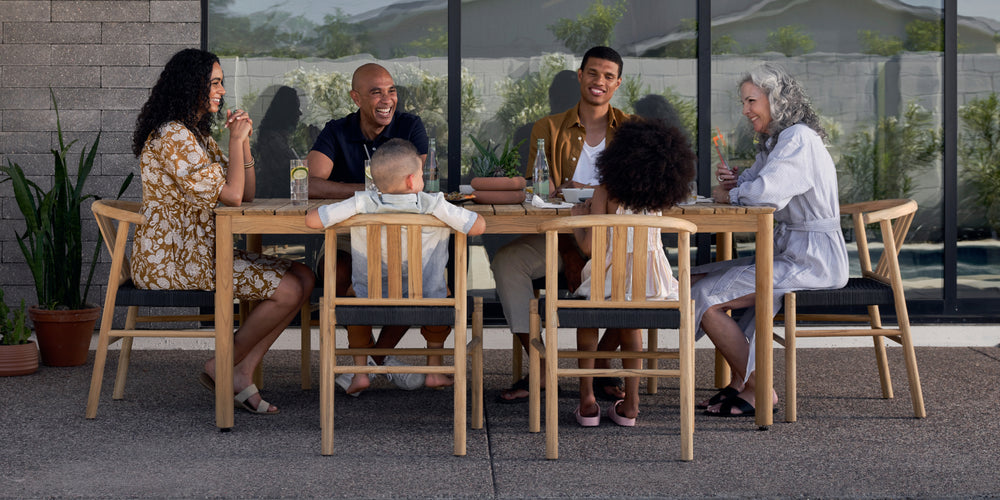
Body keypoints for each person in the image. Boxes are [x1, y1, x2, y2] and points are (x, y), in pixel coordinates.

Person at [130, 48, 315, 415]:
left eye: (221, 83)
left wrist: (242, 142)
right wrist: (235, 141)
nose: (221, 91)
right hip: (175, 261)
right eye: (214, 83)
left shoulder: (195, 136)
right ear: (191, 85)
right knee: (292, 287)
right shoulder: (173, 136)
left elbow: (246, 192)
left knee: (305, 276)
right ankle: (222, 364)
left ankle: (240, 370)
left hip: (201, 253)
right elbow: (232, 196)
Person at [697, 63, 849, 417]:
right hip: (788, 253)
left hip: (812, 262)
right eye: (744, 103)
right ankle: (740, 382)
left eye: (752, 101)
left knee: (705, 296)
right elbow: (754, 184)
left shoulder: (798, 138)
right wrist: (736, 183)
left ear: (776, 100)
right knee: (698, 278)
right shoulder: (776, 142)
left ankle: (759, 389)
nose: (746, 110)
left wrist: (733, 195)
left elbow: (766, 195)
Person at [491, 46, 633, 403]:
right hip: (559, 235)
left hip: (616, 238)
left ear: (617, 84)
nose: (599, 81)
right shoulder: (549, 127)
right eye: (593, 73)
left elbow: (638, 192)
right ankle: (540, 364)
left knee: (640, 268)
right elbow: (538, 193)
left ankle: (599, 365)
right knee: (507, 261)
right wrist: (570, 246)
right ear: (581, 75)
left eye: (608, 76)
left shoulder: (633, 130)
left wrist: (590, 192)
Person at [305, 138, 485, 395]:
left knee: (351, 299)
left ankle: (360, 373)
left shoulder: (362, 202)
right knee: (443, 291)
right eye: (421, 175)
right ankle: (434, 370)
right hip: (427, 299)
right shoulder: (433, 204)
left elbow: (312, 221)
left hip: (368, 299)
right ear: (413, 181)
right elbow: (478, 226)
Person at [306, 63, 430, 388]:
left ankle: (373, 358)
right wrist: (368, 191)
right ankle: (366, 364)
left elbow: (412, 182)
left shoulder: (409, 125)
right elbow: (310, 184)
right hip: (347, 234)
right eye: (376, 92)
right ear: (356, 98)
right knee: (338, 269)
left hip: (400, 235)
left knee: (427, 279)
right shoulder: (337, 130)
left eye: (391, 90)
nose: (387, 99)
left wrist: (359, 190)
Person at [569, 118, 695, 426]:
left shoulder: (605, 192)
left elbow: (589, 249)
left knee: (589, 310)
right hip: (652, 285)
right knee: (631, 320)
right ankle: (632, 404)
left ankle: (587, 401)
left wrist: (576, 220)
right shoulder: (659, 197)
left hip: (608, 281)